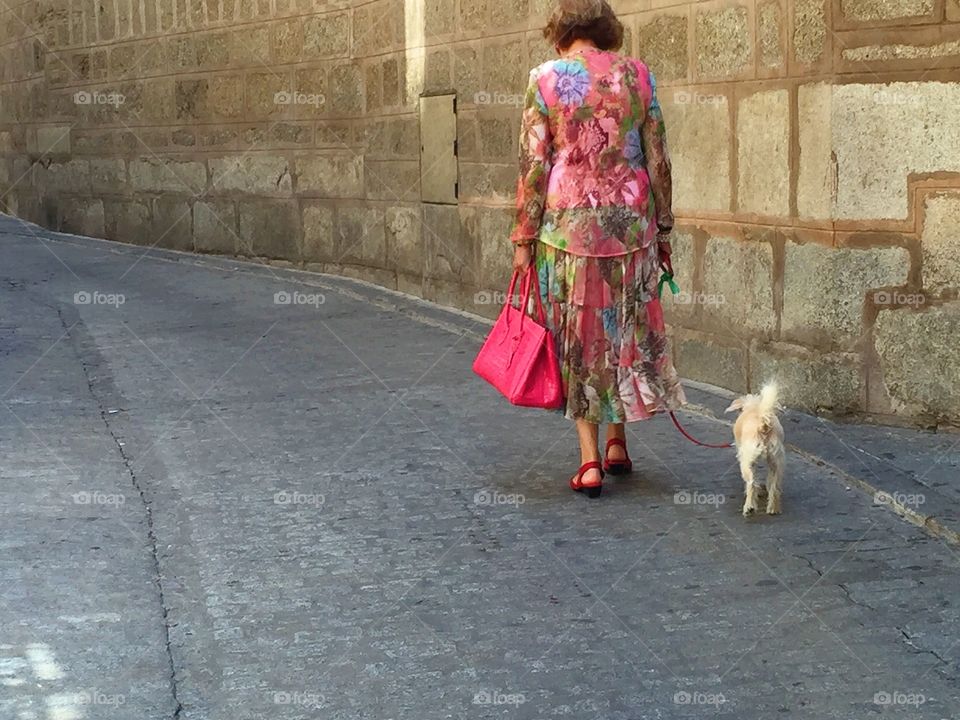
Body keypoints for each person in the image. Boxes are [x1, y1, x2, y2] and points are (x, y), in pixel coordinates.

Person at [509, 0, 686, 498]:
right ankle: (617, 444)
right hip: (632, 229)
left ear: (560, 31)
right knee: (621, 331)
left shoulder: (545, 78)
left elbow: (533, 166)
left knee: (580, 340)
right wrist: (664, 227)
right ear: (606, 29)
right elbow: (659, 159)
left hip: (569, 233)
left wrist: (523, 238)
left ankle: (589, 463)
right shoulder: (639, 76)